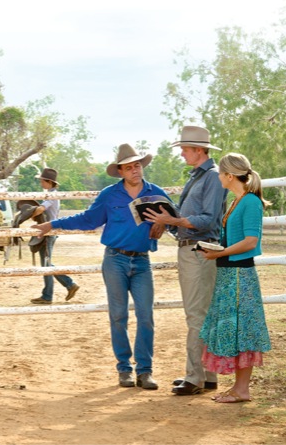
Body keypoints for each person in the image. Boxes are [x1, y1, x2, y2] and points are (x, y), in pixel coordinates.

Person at [33, 143, 173, 391]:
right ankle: (124, 369)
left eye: (137, 165)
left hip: (142, 261)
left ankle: (145, 371)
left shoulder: (156, 193)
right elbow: (88, 219)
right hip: (115, 259)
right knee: (118, 315)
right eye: (128, 167)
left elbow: (174, 218)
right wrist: (52, 224)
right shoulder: (110, 195)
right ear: (120, 171)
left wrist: (166, 222)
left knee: (146, 316)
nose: (135, 170)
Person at [143, 125, 227, 396]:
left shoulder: (211, 177)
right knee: (201, 313)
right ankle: (206, 374)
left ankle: (195, 377)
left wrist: (173, 220)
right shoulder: (200, 176)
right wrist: (166, 220)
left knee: (195, 315)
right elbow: (194, 217)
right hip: (193, 249)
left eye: (184, 149)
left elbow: (208, 219)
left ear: (198, 150)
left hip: (198, 250)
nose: (181, 154)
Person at [198, 152, 271, 403]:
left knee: (242, 329)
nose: (218, 176)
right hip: (229, 274)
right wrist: (216, 250)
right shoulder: (237, 200)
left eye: (220, 173)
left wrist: (220, 253)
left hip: (240, 276)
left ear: (230, 175)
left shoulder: (250, 202)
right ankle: (238, 388)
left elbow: (251, 241)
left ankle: (242, 390)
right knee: (238, 329)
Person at [28, 168, 80, 305]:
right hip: (49, 232)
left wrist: (29, 214)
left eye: (42, 181)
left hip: (49, 233)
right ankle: (63, 287)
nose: (41, 183)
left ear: (49, 182)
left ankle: (57, 291)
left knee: (46, 264)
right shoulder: (52, 194)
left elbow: (41, 209)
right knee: (46, 263)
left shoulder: (51, 195)